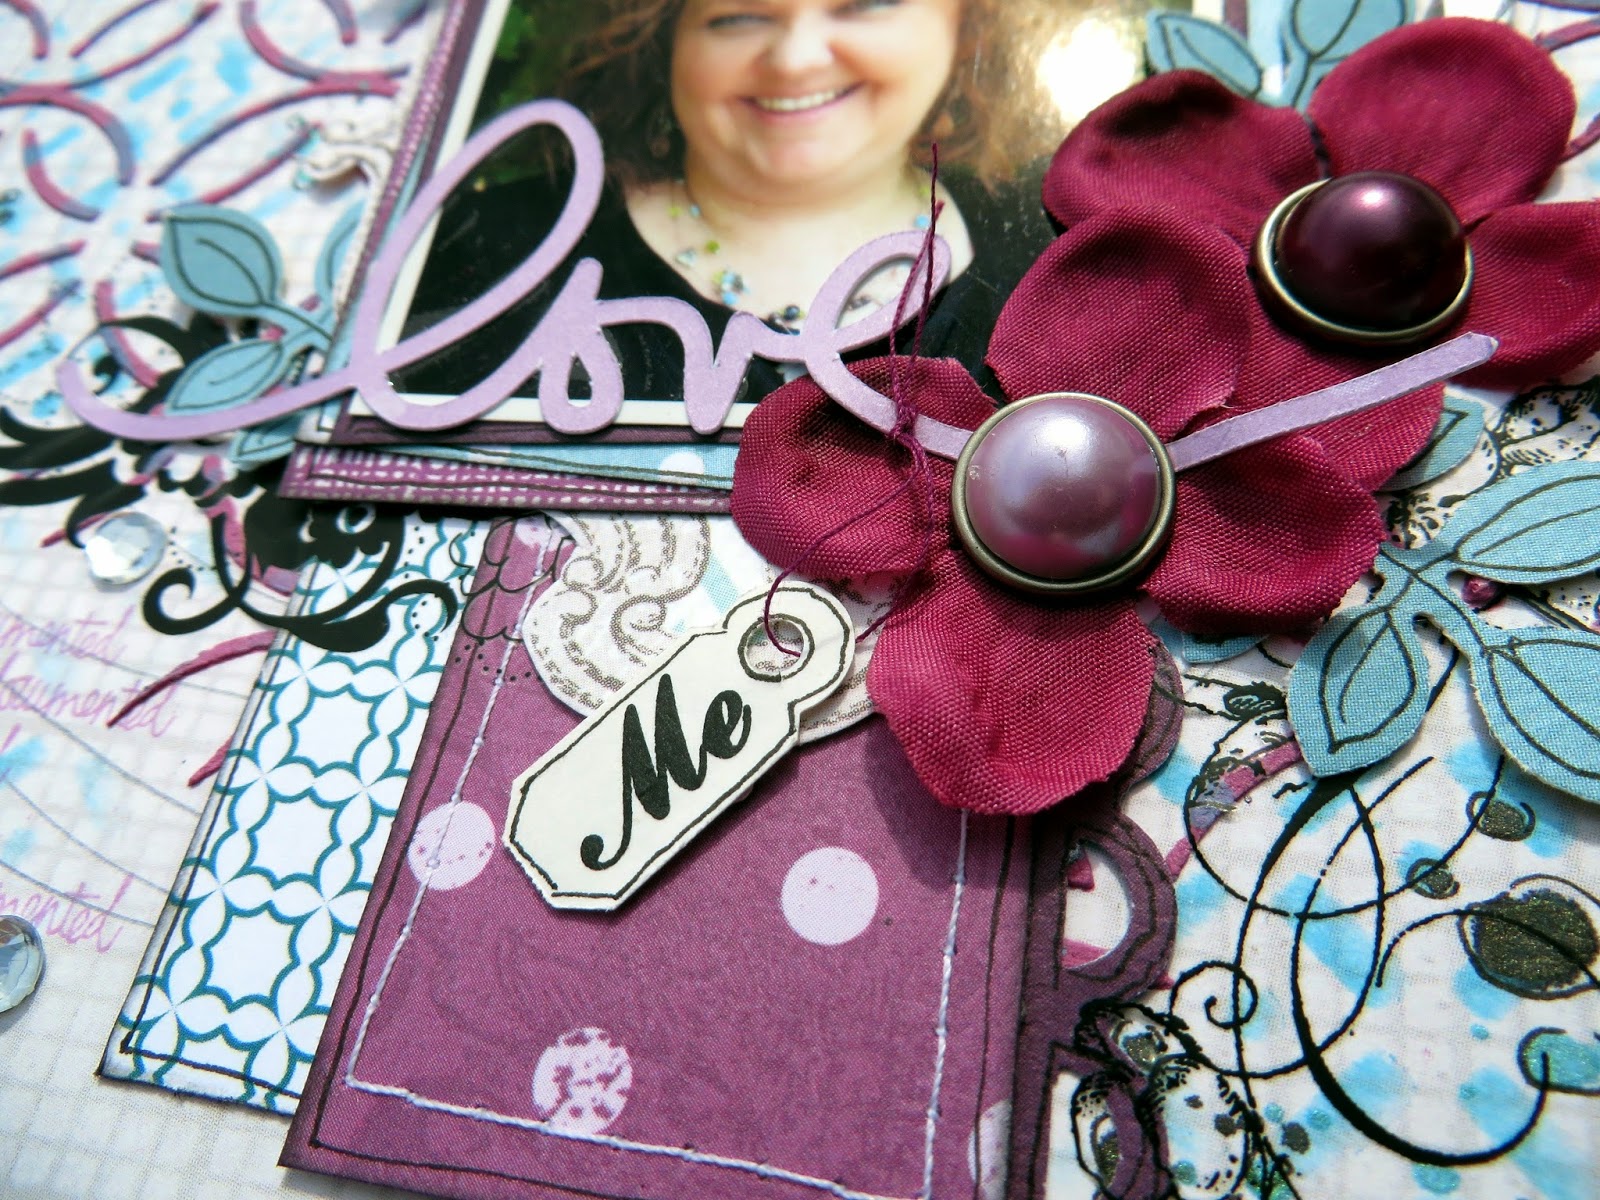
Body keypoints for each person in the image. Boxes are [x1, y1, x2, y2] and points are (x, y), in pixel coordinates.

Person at [389, 0, 1064, 439]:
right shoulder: (474, 252)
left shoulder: (1063, 256)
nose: (796, 58)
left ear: (967, 24)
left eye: (864, 4)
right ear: (659, 39)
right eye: (736, 15)